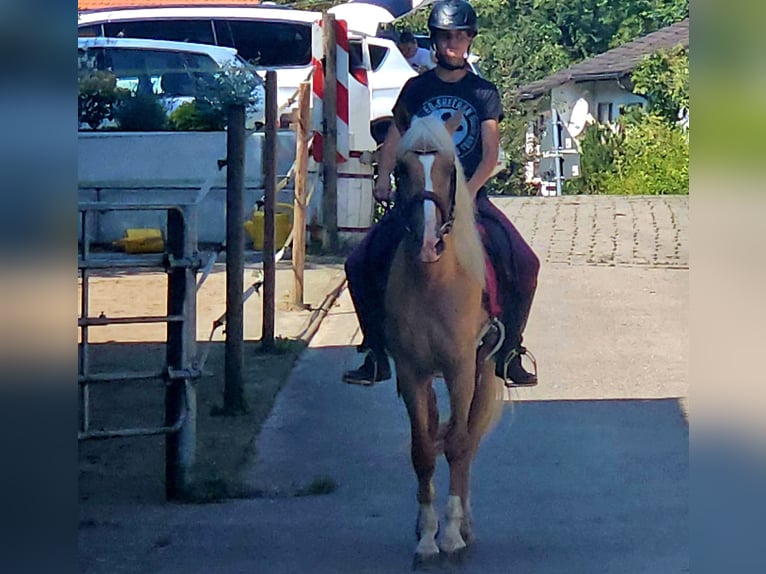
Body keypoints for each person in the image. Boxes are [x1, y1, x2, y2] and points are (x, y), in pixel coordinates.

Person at [343, 0, 540, 388]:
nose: (453, 43)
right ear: (435, 41)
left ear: (469, 40)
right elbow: (395, 136)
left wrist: (466, 194)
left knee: (525, 262)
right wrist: (383, 177)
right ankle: (375, 350)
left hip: (468, 197)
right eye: (446, 36)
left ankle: (510, 350)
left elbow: (489, 153)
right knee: (359, 263)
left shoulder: (483, 92)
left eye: (460, 36)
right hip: (417, 199)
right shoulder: (417, 90)